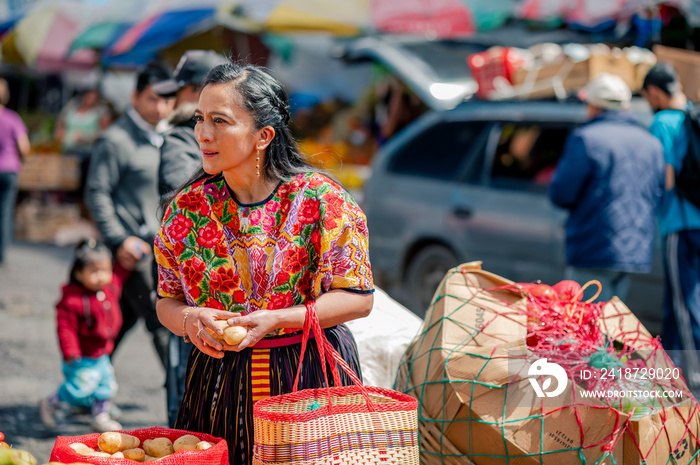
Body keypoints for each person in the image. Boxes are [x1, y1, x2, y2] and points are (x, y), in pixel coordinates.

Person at [154, 61, 374, 465]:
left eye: (220, 121)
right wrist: (190, 319)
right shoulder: (186, 210)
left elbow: (358, 298)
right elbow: (166, 299)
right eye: (200, 118)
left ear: (263, 135)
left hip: (307, 375)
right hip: (219, 381)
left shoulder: (322, 201)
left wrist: (278, 319)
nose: (203, 133)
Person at [152, 49, 228, 427]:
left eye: (180, 90)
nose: (172, 101)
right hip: (194, 295)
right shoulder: (185, 142)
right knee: (189, 392)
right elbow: (176, 196)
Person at [85, 62, 175, 370]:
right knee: (161, 325)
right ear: (135, 97)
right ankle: (186, 408)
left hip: (163, 250)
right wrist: (119, 239)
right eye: (153, 98)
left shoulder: (171, 137)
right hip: (134, 252)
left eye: (168, 100)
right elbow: (97, 192)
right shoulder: (116, 139)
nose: (161, 108)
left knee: (118, 323)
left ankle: (84, 388)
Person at [549, 73, 665, 303]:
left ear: (593, 105)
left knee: (581, 326)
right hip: (635, 250)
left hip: (594, 245)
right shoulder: (651, 143)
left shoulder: (586, 138)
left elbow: (562, 193)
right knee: (609, 326)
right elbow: (658, 193)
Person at [642, 62, 700, 387]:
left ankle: (692, 380)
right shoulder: (693, 115)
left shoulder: (663, 122)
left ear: (653, 92)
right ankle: (672, 371)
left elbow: (664, 179)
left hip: (680, 223)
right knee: (684, 301)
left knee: (683, 304)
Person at [39, 239, 129, 433]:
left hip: (101, 353)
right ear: (79, 274)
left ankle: (100, 416)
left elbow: (119, 277)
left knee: (106, 385)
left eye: (106, 270)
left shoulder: (109, 288)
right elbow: (65, 328)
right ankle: (51, 403)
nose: (102, 277)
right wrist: (70, 351)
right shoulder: (72, 300)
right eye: (94, 271)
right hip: (81, 357)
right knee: (79, 388)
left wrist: (126, 264)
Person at [155, 50, 228, 197]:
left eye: (178, 91)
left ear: (202, 91)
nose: (172, 101)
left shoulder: (180, 137)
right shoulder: (246, 134)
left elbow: (181, 199)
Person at [0, 78, 30, 266]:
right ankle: (1, 253)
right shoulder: (12, 118)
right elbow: (24, 147)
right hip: (9, 170)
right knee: (5, 212)